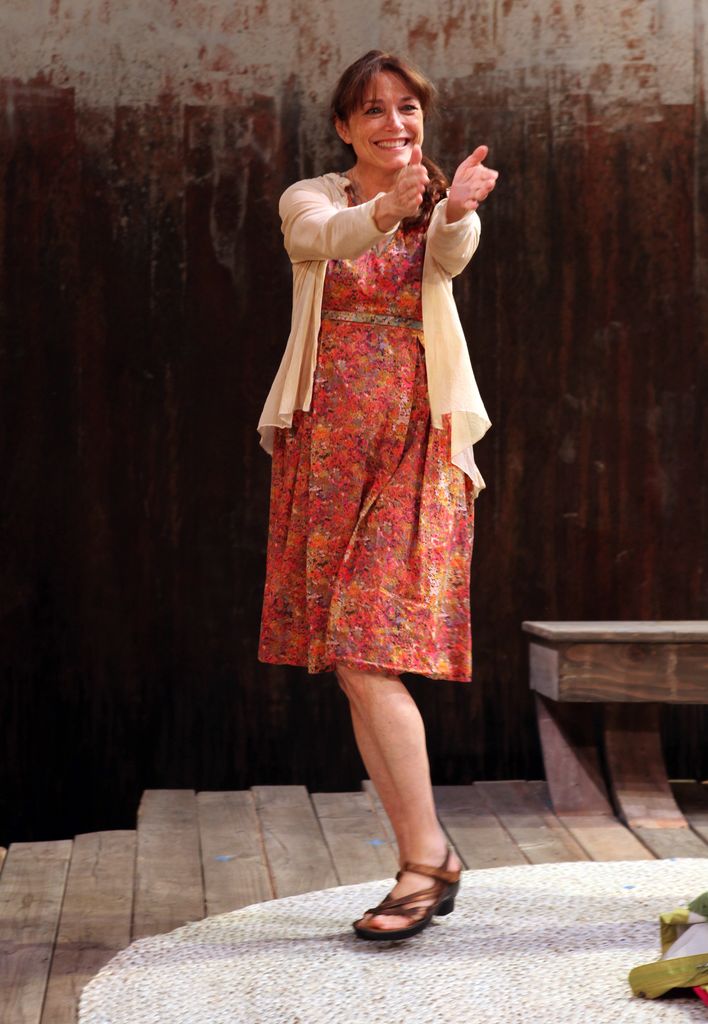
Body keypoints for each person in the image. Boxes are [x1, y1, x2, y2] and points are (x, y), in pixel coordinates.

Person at [257, 50, 498, 940]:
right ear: (343, 127)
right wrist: (382, 210)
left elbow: (446, 259)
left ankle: (425, 860)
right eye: (373, 112)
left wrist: (453, 212)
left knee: (365, 648)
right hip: (328, 444)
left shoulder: (434, 199)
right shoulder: (310, 195)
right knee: (360, 668)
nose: (394, 125)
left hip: (417, 439)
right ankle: (425, 858)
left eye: (407, 110)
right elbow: (320, 239)